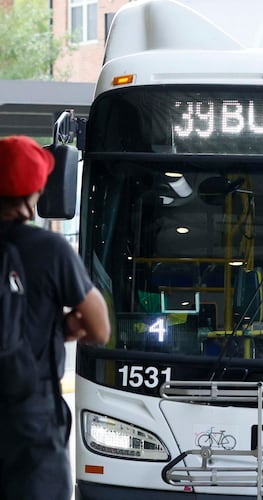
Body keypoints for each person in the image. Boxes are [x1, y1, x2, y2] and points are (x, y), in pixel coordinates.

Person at [0, 136, 110, 500]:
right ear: (37, 189)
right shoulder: (51, 251)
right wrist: (59, 329)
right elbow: (99, 328)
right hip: (30, 420)